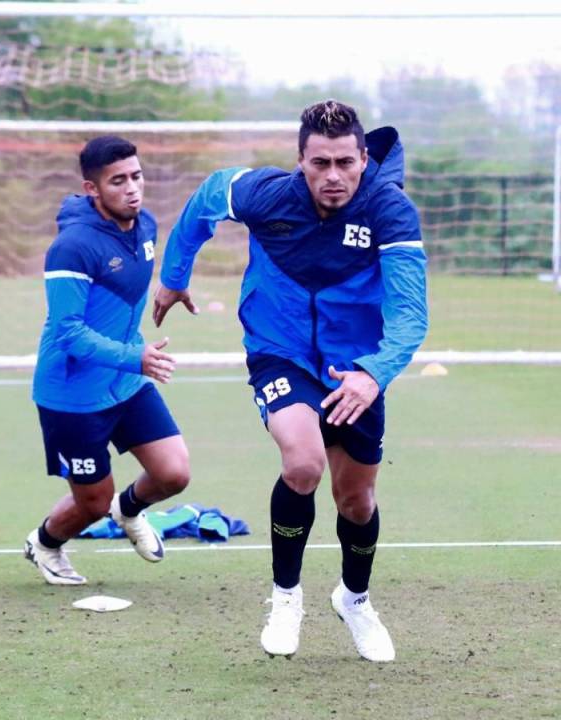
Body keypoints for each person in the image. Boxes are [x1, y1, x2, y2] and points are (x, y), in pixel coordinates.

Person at [154, 100, 427, 662]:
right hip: (280, 351)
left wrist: (372, 375)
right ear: (299, 161)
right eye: (320, 163)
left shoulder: (391, 211)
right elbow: (208, 197)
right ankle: (285, 597)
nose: (333, 176)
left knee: (356, 500)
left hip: (358, 366)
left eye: (345, 163)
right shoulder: (265, 194)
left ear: (362, 158)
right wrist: (173, 278)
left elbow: (410, 315)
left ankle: (354, 600)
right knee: (303, 463)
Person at [24, 135, 191, 586]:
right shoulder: (71, 248)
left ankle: (129, 509)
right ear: (92, 189)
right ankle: (44, 544)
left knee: (174, 473)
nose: (132, 188)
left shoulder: (147, 226)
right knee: (92, 503)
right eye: (118, 181)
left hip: (124, 382)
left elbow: (135, 283)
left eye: (136, 176)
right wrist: (134, 357)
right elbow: (68, 332)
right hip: (73, 395)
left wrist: (175, 283)